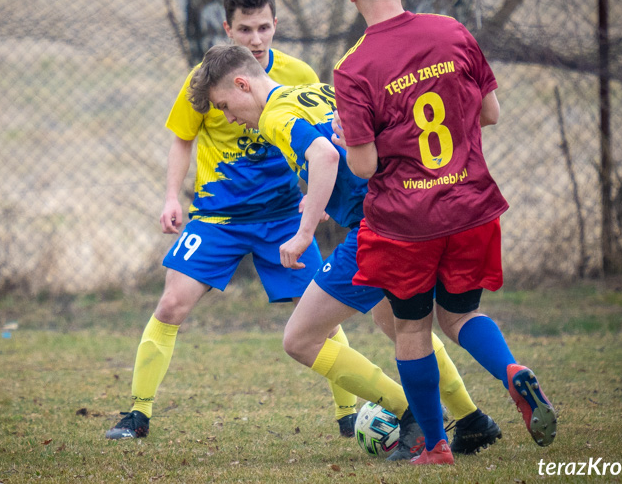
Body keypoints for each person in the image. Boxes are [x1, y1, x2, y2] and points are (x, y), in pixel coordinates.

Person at [188, 43, 503, 460]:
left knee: (300, 339)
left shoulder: (273, 115)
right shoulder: (318, 92)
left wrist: (302, 234)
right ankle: (472, 420)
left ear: (242, 85)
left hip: (376, 228)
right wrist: (316, 200)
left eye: (225, 105)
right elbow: (348, 147)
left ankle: (411, 414)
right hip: (407, 211)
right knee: (395, 319)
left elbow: (323, 156)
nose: (228, 117)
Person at [332, 0, 557, 465]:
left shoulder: (353, 67)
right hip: (470, 205)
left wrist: (356, 141)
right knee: (461, 315)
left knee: (413, 328)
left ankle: (435, 446)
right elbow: (491, 113)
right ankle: (510, 372)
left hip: (405, 223)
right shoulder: (452, 31)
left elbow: (363, 166)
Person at [106, 0, 361, 440]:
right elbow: (182, 138)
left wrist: (314, 195)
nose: (257, 39)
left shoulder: (298, 74)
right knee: (170, 305)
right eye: (246, 29)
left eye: (265, 28)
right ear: (228, 28)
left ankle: (350, 415)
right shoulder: (206, 79)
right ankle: (137, 415)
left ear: (276, 25)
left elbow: (327, 137)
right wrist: (170, 197)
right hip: (216, 218)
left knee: (319, 311)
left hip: (283, 215)